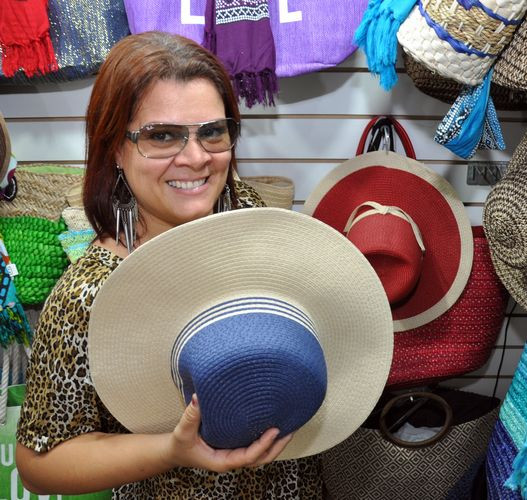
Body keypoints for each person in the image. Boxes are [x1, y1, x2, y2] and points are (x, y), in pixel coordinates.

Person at [15, 31, 322, 498]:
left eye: (212, 131)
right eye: (162, 136)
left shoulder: (251, 223)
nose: (196, 157)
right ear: (115, 149)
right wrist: (168, 450)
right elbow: (40, 463)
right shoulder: (90, 295)